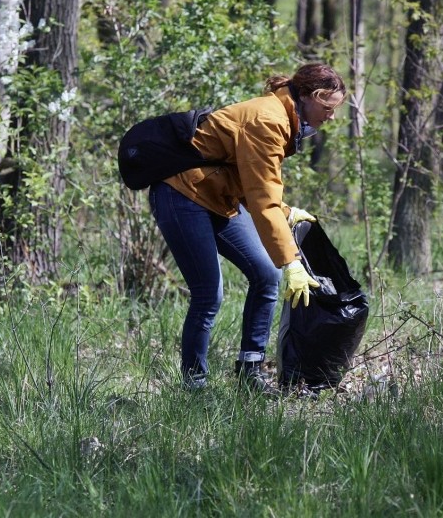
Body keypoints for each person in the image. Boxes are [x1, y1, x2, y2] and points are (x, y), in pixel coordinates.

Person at [148, 62, 347, 394]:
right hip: (182, 193)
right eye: (328, 108)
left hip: (216, 195)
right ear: (310, 97)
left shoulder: (285, 117)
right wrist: (292, 262)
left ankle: (249, 371)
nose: (331, 116)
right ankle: (194, 385)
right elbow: (261, 197)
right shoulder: (268, 119)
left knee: (266, 275)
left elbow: (254, 183)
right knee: (209, 292)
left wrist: (287, 213)